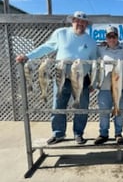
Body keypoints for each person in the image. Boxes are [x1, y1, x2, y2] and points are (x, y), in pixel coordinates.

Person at [16, 11, 97, 145]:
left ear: (86, 24)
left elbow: (94, 62)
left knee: (82, 107)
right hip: (62, 76)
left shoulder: (91, 42)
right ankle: (58, 133)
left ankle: (78, 134)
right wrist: (28, 56)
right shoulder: (61, 33)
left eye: (83, 22)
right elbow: (46, 47)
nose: (80, 24)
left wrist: (94, 82)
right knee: (58, 104)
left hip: (82, 78)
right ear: (72, 21)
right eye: (77, 21)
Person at [94, 26, 123, 145]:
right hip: (104, 87)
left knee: (120, 111)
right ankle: (103, 134)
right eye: (109, 36)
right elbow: (87, 48)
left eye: (114, 36)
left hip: (121, 87)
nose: (112, 39)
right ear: (106, 38)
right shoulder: (100, 49)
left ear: (118, 37)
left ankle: (118, 133)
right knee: (104, 112)